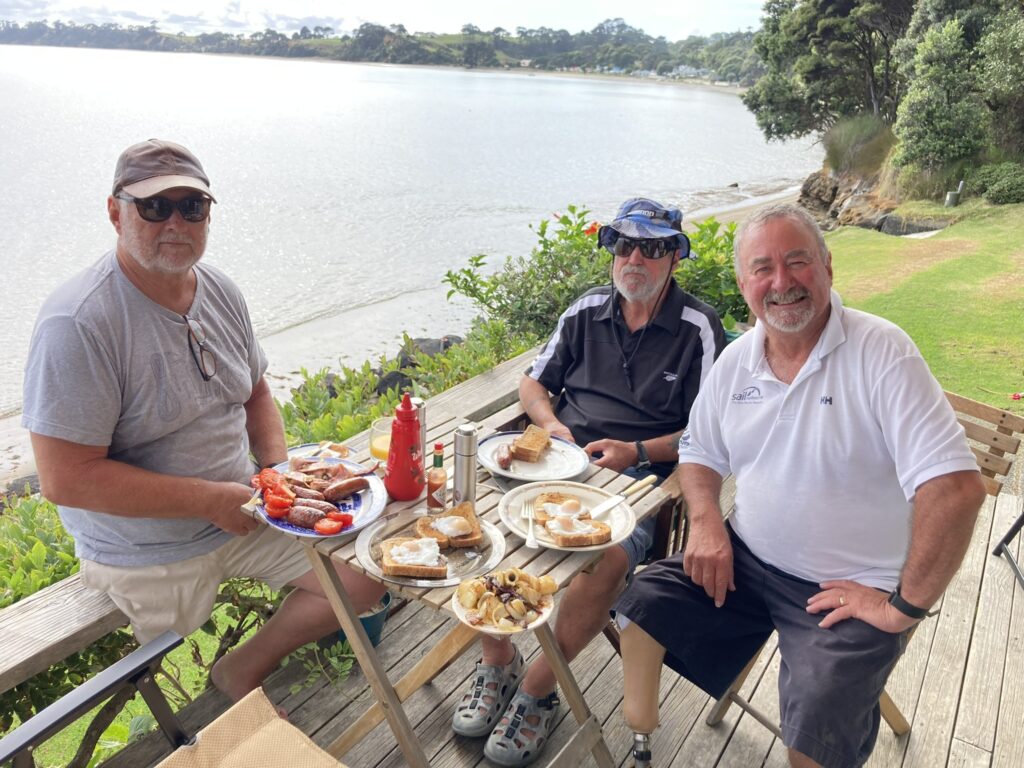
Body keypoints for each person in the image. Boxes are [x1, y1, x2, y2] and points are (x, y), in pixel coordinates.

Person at [614, 203, 986, 768]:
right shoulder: (736, 362)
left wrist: (902, 608)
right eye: (763, 269)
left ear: (828, 267)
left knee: (813, 733)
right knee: (641, 602)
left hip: (845, 589)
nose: (782, 283)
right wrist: (709, 524)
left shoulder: (882, 352)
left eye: (797, 262)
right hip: (742, 562)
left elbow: (957, 489)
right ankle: (641, 744)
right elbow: (698, 451)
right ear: (744, 285)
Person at [21, 139, 386, 704]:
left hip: (245, 505)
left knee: (363, 577)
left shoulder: (220, 289)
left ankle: (241, 669)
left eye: (191, 207)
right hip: (145, 547)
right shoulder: (79, 322)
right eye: (154, 206)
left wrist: (276, 470)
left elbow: (255, 388)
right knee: (162, 677)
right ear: (116, 212)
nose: (175, 222)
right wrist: (207, 499)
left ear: (208, 214)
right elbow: (65, 479)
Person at [452, 198, 726, 767]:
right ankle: (496, 661)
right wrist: (552, 428)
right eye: (624, 245)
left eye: (651, 248)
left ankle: (535, 691)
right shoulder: (584, 312)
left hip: (638, 483)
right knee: (478, 524)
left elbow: (712, 430)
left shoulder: (698, 328)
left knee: (605, 563)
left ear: (673, 258)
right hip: (559, 466)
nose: (634, 258)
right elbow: (532, 386)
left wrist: (638, 450)